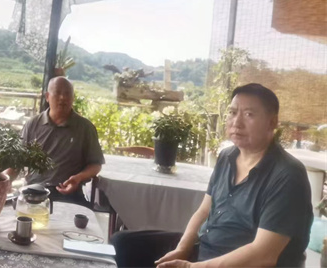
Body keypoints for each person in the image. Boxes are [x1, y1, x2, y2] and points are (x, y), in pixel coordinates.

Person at [112, 83, 313, 268]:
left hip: (244, 263)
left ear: (272, 122)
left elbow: (263, 255)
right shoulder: (227, 156)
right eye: (232, 112)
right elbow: (204, 211)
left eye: (249, 114)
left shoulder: (288, 175)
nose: (237, 122)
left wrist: (193, 267)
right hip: (206, 247)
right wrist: (182, 249)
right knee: (124, 243)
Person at [13, 76, 105, 207]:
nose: (62, 98)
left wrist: (78, 178)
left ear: (73, 98)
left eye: (67, 94)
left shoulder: (85, 128)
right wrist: (3, 180)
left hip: (69, 193)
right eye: (57, 93)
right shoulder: (32, 124)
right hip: (34, 192)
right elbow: (16, 161)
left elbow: (95, 164)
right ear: (47, 97)